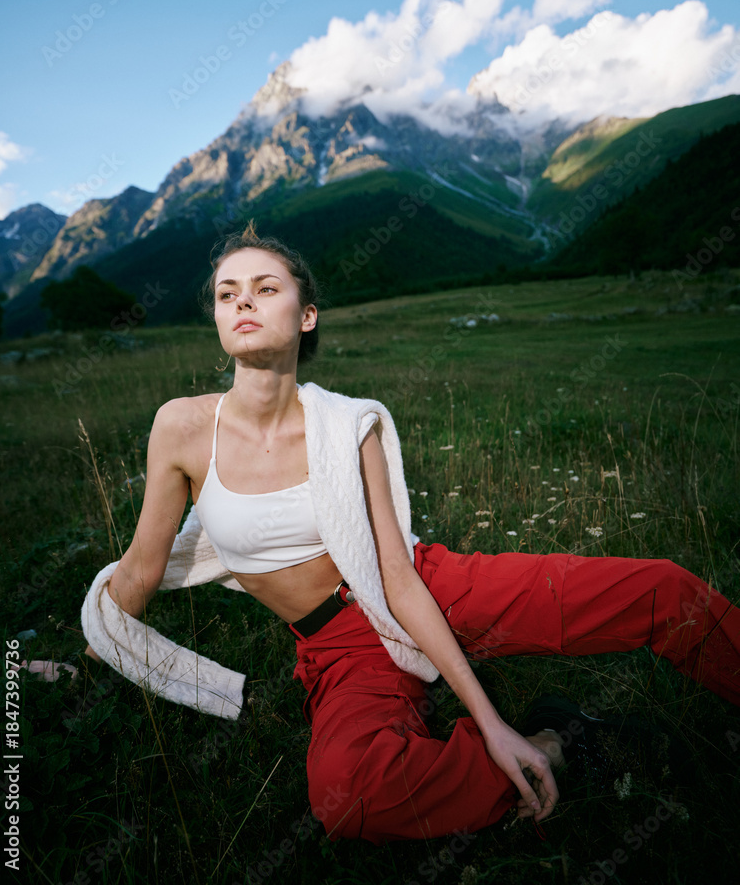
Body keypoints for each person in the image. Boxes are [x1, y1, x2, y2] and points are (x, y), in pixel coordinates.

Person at [82, 225, 740, 845]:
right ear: (219, 320)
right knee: (345, 796)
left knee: (660, 590)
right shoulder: (182, 428)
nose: (244, 302)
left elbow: (396, 579)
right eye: (229, 294)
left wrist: (486, 715)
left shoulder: (348, 426)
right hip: (340, 648)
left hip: (430, 587)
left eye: (266, 288)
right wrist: (92, 662)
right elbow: (141, 570)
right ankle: (552, 747)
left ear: (306, 315)